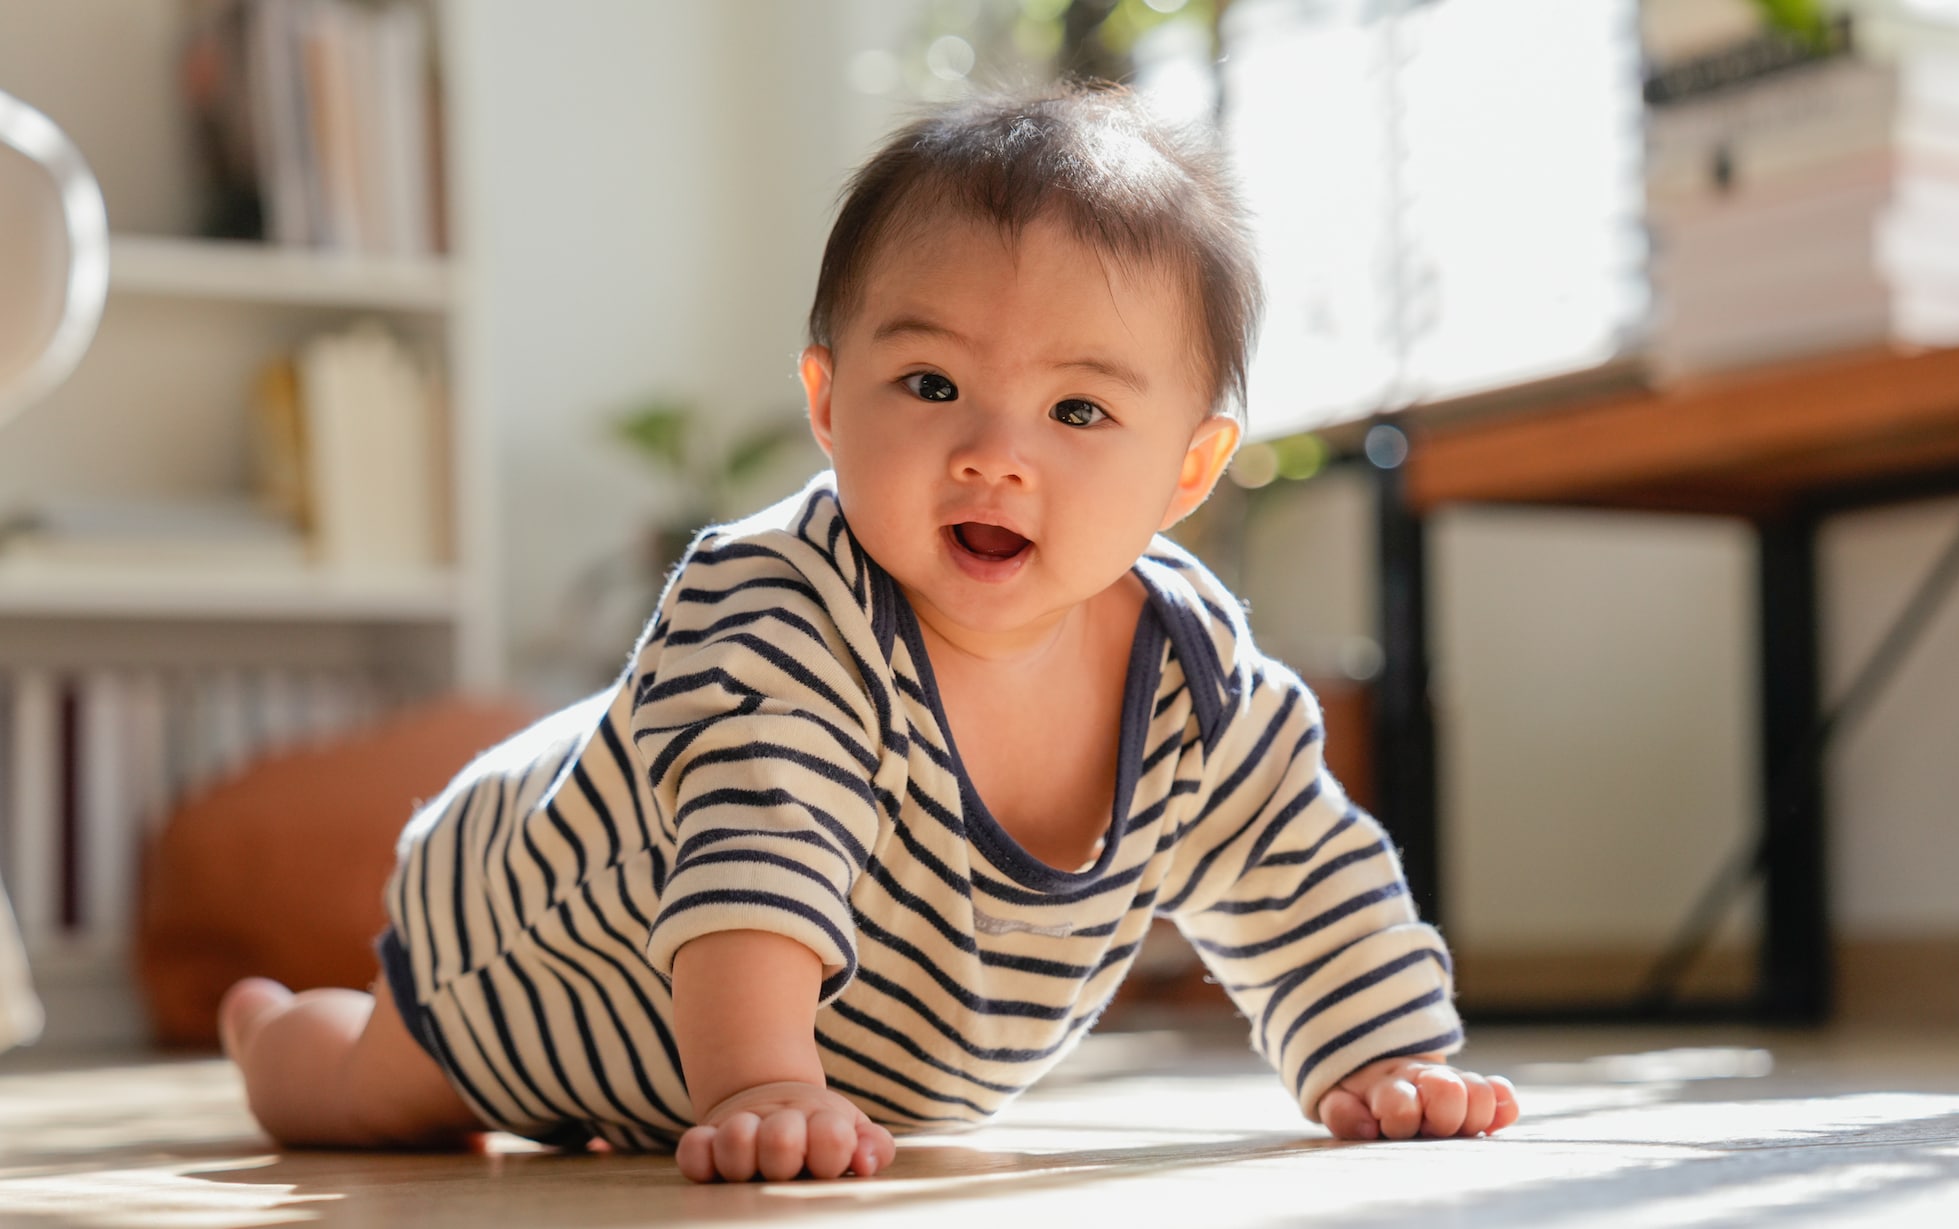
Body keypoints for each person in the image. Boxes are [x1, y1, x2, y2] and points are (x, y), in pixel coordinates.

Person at [218, 80, 1519, 1183]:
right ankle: (280, 1031)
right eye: (933, 384)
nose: (994, 455)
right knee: (374, 1096)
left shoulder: (1195, 675)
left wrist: (1382, 1053)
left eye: (1077, 411)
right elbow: (756, 851)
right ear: (830, 402)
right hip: (545, 942)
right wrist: (764, 1079)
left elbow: (1296, 862)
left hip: (831, 1073)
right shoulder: (784, 610)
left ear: (1189, 467)